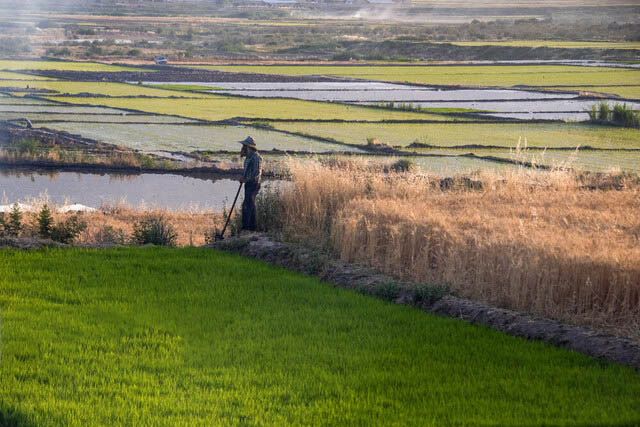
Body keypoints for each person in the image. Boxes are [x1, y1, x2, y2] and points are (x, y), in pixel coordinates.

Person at [238, 136, 262, 231]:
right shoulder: (248, 157)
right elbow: (246, 171)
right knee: (246, 204)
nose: (243, 148)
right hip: (248, 184)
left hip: (254, 184)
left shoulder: (256, 157)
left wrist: (246, 179)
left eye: (245, 146)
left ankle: (250, 228)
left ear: (250, 147)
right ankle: (246, 227)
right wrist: (243, 178)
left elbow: (256, 172)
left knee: (249, 204)